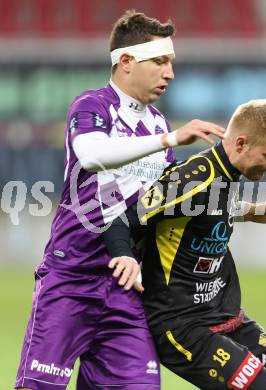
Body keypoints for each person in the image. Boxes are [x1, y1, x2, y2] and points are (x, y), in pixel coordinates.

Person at [15, 10, 225, 390]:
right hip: (71, 279)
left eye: (171, 63)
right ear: (126, 62)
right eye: (159, 61)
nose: (169, 74)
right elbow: (94, 155)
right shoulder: (92, 106)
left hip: (127, 286)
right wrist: (172, 140)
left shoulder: (158, 123)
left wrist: (251, 211)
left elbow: (165, 201)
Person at [104, 99, 266, 390]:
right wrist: (125, 257)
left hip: (224, 314)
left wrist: (260, 210)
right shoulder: (191, 179)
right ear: (241, 143)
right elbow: (121, 222)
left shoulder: (228, 174)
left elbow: (209, 211)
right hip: (182, 325)